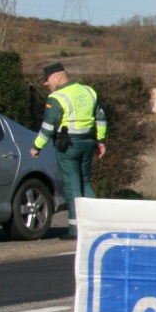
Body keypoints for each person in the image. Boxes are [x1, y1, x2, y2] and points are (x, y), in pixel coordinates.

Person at [29, 62, 107, 238]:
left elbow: (48, 126)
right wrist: (100, 140)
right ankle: (95, 225)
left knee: (72, 186)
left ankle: (76, 230)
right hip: (87, 143)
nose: (45, 84)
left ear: (57, 76)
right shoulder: (88, 91)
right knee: (85, 183)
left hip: (68, 147)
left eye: (47, 79)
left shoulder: (57, 97)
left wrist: (36, 147)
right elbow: (101, 117)